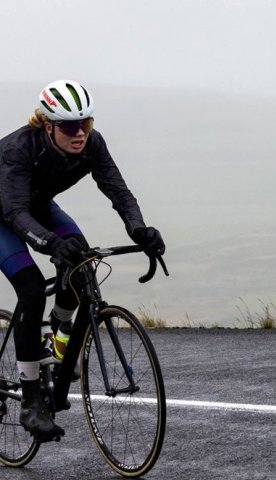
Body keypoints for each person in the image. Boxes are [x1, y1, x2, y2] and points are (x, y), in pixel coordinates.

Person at [0, 80, 165, 441]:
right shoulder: (18, 150)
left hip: (39, 207)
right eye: (71, 126)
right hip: (4, 215)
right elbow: (13, 212)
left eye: (86, 123)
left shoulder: (92, 144)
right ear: (47, 126)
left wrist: (139, 230)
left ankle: (58, 338)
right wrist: (49, 244)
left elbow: (118, 191)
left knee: (81, 263)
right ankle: (30, 401)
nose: (81, 134)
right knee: (29, 290)